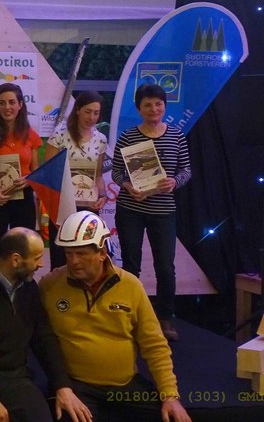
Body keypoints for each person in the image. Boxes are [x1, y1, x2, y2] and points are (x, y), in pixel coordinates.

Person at [39, 211, 191, 422]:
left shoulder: (130, 285)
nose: (73, 261)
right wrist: (60, 386)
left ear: (102, 253)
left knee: (171, 417)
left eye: (81, 254)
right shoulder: (50, 285)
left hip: (125, 385)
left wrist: (170, 395)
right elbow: (39, 339)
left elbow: (154, 345)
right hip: (76, 386)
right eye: (68, 253)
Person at [0, 227, 91, 422]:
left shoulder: (30, 288)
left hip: (14, 378)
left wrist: (62, 385)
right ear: (16, 260)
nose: (41, 264)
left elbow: (43, 338)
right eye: (37, 258)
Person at [111, 84, 191, 341]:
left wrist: (174, 182)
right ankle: (129, 315)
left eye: (158, 104)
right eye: (147, 104)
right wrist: (127, 185)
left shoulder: (176, 136)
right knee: (130, 265)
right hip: (130, 209)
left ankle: (165, 317)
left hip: (163, 210)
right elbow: (116, 172)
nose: (153, 109)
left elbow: (186, 170)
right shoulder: (128, 137)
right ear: (139, 109)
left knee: (165, 267)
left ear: (164, 106)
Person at [0, 83, 42, 268]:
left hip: (23, 202)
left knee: (24, 252)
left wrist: (29, 180)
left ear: (20, 105)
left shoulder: (31, 135)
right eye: (2, 103)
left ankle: (23, 287)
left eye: (12, 102)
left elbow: (36, 172)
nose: (7, 107)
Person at [45, 91, 108, 269]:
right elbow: (49, 171)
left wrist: (102, 195)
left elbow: (98, 175)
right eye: (88, 111)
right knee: (60, 258)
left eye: (96, 113)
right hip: (63, 207)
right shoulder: (60, 134)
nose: (92, 117)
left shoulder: (101, 140)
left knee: (87, 257)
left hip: (89, 207)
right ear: (78, 110)